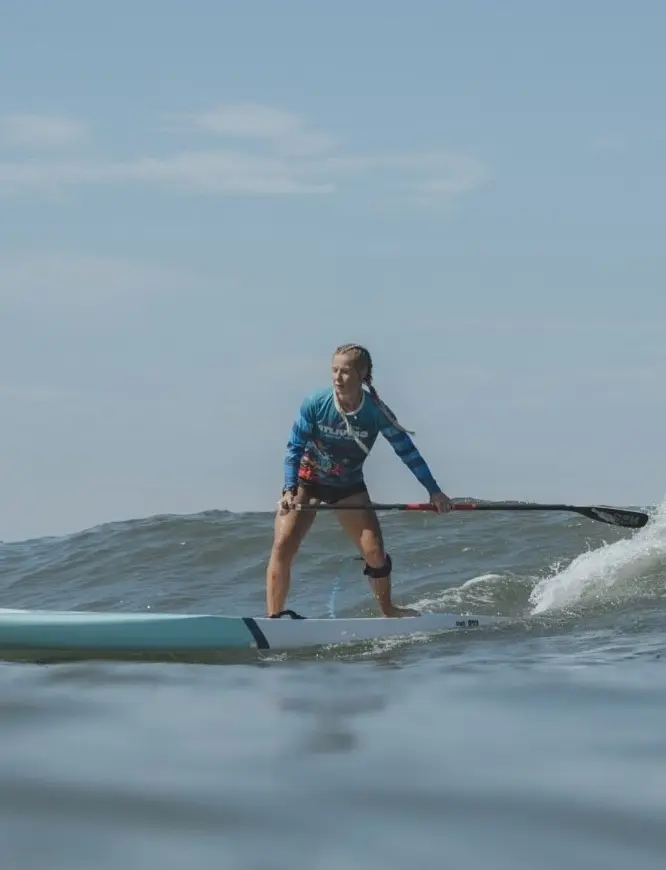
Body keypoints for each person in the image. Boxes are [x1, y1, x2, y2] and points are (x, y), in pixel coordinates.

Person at [265, 343, 452, 619]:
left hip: (347, 486)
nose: (337, 378)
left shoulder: (375, 413)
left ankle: (388, 611)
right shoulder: (316, 403)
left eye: (345, 371)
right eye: (334, 370)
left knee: (375, 553)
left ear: (362, 375)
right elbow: (294, 448)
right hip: (307, 482)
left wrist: (434, 492)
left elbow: (407, 452)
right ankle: (274, 619)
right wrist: (289, 489)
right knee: (283, 544)